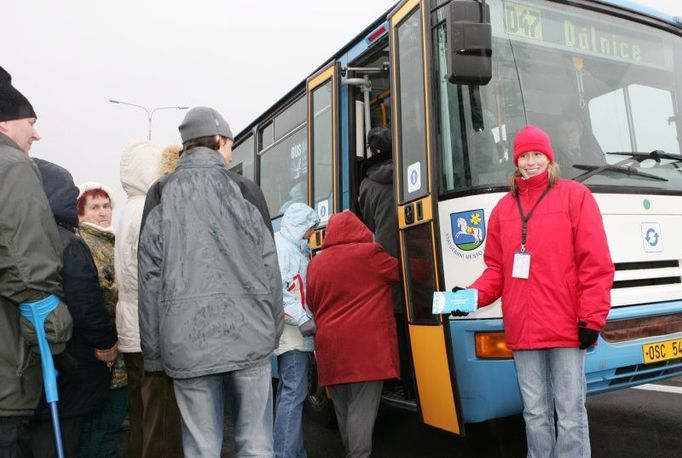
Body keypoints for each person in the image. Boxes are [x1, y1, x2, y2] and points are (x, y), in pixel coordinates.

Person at [138, 106, 283, 457]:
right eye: (230, 143)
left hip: (185, 340)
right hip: (250, 336)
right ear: (219, 141)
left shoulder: (160, 194)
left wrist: (155, 354)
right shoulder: (246, 190)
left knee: (201, 447)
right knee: (257, 443)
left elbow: (149, 279)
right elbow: (270, 269)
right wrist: (272, 330)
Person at [462, 125, 614, 457]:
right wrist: (470, 296)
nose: (530, 162)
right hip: (523, 327)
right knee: (534, 413)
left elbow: (596, 263)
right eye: (524, 156)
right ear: (516, 161)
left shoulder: (575, 196)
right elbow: (496, 270)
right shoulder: (503, 209)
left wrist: (591, 318)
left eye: (536, 155)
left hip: (566, 326)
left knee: (570, 413)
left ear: (549, 157)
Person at [0, 65, 73, 458]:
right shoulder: (12, 167)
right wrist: (55, 325)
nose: (36, 133)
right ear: (5, 123)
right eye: (31, 122)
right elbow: (27, 270)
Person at [30, 159, 118, 458]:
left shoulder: (29, 236)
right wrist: (105, 342)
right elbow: (86, 302)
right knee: (68, 438)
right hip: (73, 359)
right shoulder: (69, 243)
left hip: (38, 361)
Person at [307, 211, 401, 458]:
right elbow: (399, 272)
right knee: (362, 408)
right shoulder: (370, 254)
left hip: (331, 351)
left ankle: (354, 453)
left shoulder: (316, 263)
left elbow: (310, 302)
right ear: (359, 229)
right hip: (365, 350)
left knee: (344, 409)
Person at [115, 141, 184, 458]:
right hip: (150, 330)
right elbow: (156, 272)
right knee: (162, 422)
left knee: (141, 417)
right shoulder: (148, 209)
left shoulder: (128, 209)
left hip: (130, 330)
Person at [358, 126, 414, 399]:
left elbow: (368, 223)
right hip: (416, 254)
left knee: (396, 320)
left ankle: (399, 380)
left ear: (373, 151)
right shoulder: (409, 172)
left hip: (386, 257)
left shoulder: (367, 184)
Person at [76, 182, 128, 458]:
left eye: (106, 206)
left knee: (107, 425)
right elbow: (103, 295)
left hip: (113, 350)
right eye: (94, 207)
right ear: (81, 212)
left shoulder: (110, 240)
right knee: (102, 428)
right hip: (104, 352)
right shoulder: (86, 242)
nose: (102, 213)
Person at [273, 203, 319, 458]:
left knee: (288, 394)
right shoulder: (284, 251)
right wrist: (303, 319)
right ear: (300, 225)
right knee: (293, 395)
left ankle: (291, 450)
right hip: (292, 336)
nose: (312, 234)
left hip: (292, 334)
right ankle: (285, 453)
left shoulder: (290, 246)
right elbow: (280, 293)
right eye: (310, 229)